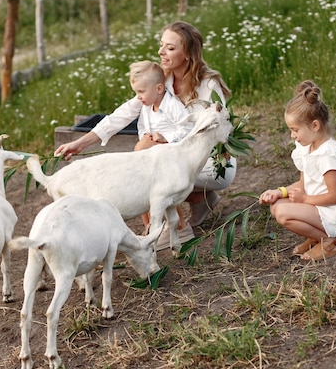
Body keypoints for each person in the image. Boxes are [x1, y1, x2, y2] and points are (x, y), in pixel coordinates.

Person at [55, 21, 236, 233]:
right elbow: (123, 114)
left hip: (211, 162)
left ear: (188, 53)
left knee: (146, 155)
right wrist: (80, 143)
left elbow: (215, 131)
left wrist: (167, 140)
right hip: (178, 159)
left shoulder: (208, 85)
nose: (161, 52)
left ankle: (173, 229)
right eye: (161, 45)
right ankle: (199, 199)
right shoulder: (161, 78)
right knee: (150, 155)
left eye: (170, 48)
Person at [259, 80, 336, 261]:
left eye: (295, 130)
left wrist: (304, 199)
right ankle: (316, 237)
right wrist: (279, 192)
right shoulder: (307, 149)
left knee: (283, 213)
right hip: (318, 208)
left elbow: (335, 196)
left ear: (314, 125)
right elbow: (303, 184)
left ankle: (329, 242)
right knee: (277, 207)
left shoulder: (327, 154)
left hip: (334, 213)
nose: (292, 136)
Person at [127, 60, 194, 247]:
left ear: (158, 88)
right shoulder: (146, 108)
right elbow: (141, 127)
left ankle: (179, 225)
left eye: (141, 92)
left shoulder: (172, 105)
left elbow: (187, 128)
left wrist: (166, 137)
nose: (138, 97)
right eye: (136, 92)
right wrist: (145, 137)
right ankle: (149, 226)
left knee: (160, 187)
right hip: (153, 157)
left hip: (171, 156)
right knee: (140, 181)